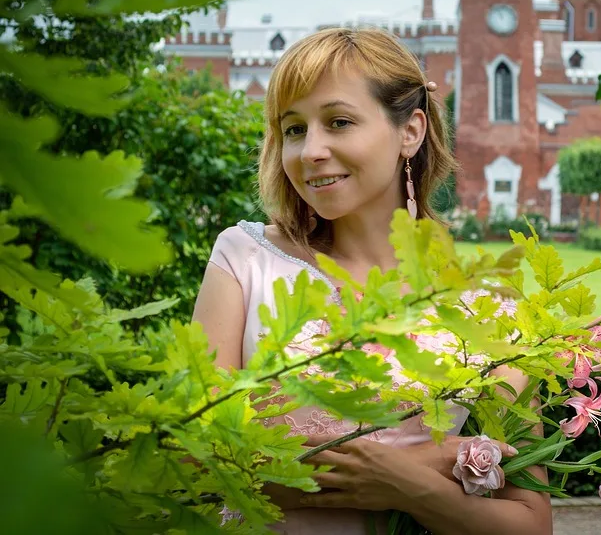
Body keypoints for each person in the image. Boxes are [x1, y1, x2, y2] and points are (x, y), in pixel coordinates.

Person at [192, 27, 552, 534]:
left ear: (411, 131)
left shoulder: (489, 307)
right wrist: (434, 459)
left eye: (338, 122)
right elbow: (192, 461)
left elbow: (530, 523)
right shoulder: (245, 258)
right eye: (293, 129)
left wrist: (409, 485)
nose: (310, 151)